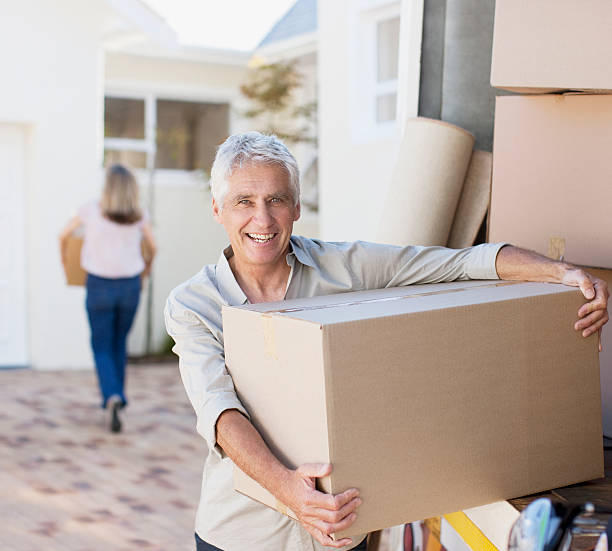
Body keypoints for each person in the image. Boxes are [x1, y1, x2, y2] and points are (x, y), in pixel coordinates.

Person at [164, 132, 609, 551]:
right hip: (244, 536)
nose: (262, 218)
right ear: (218, 209)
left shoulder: (344, 269)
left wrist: (565, 276)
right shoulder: (193, 304)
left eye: (276, 200)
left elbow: (458, 264)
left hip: (341, 534)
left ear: (296, 207)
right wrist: (291, 493)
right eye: (244, 201)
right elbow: (220, 412)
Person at [60, 164, 157, 433]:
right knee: (118, 342)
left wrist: (65, 263)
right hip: (129, 286)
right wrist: (145, 273)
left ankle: (112, 395)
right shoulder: (139, 214)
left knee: (101, 345)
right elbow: (153, 246)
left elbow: (64, 234)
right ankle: (117, 395)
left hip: (99, 285)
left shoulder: (91, 209)